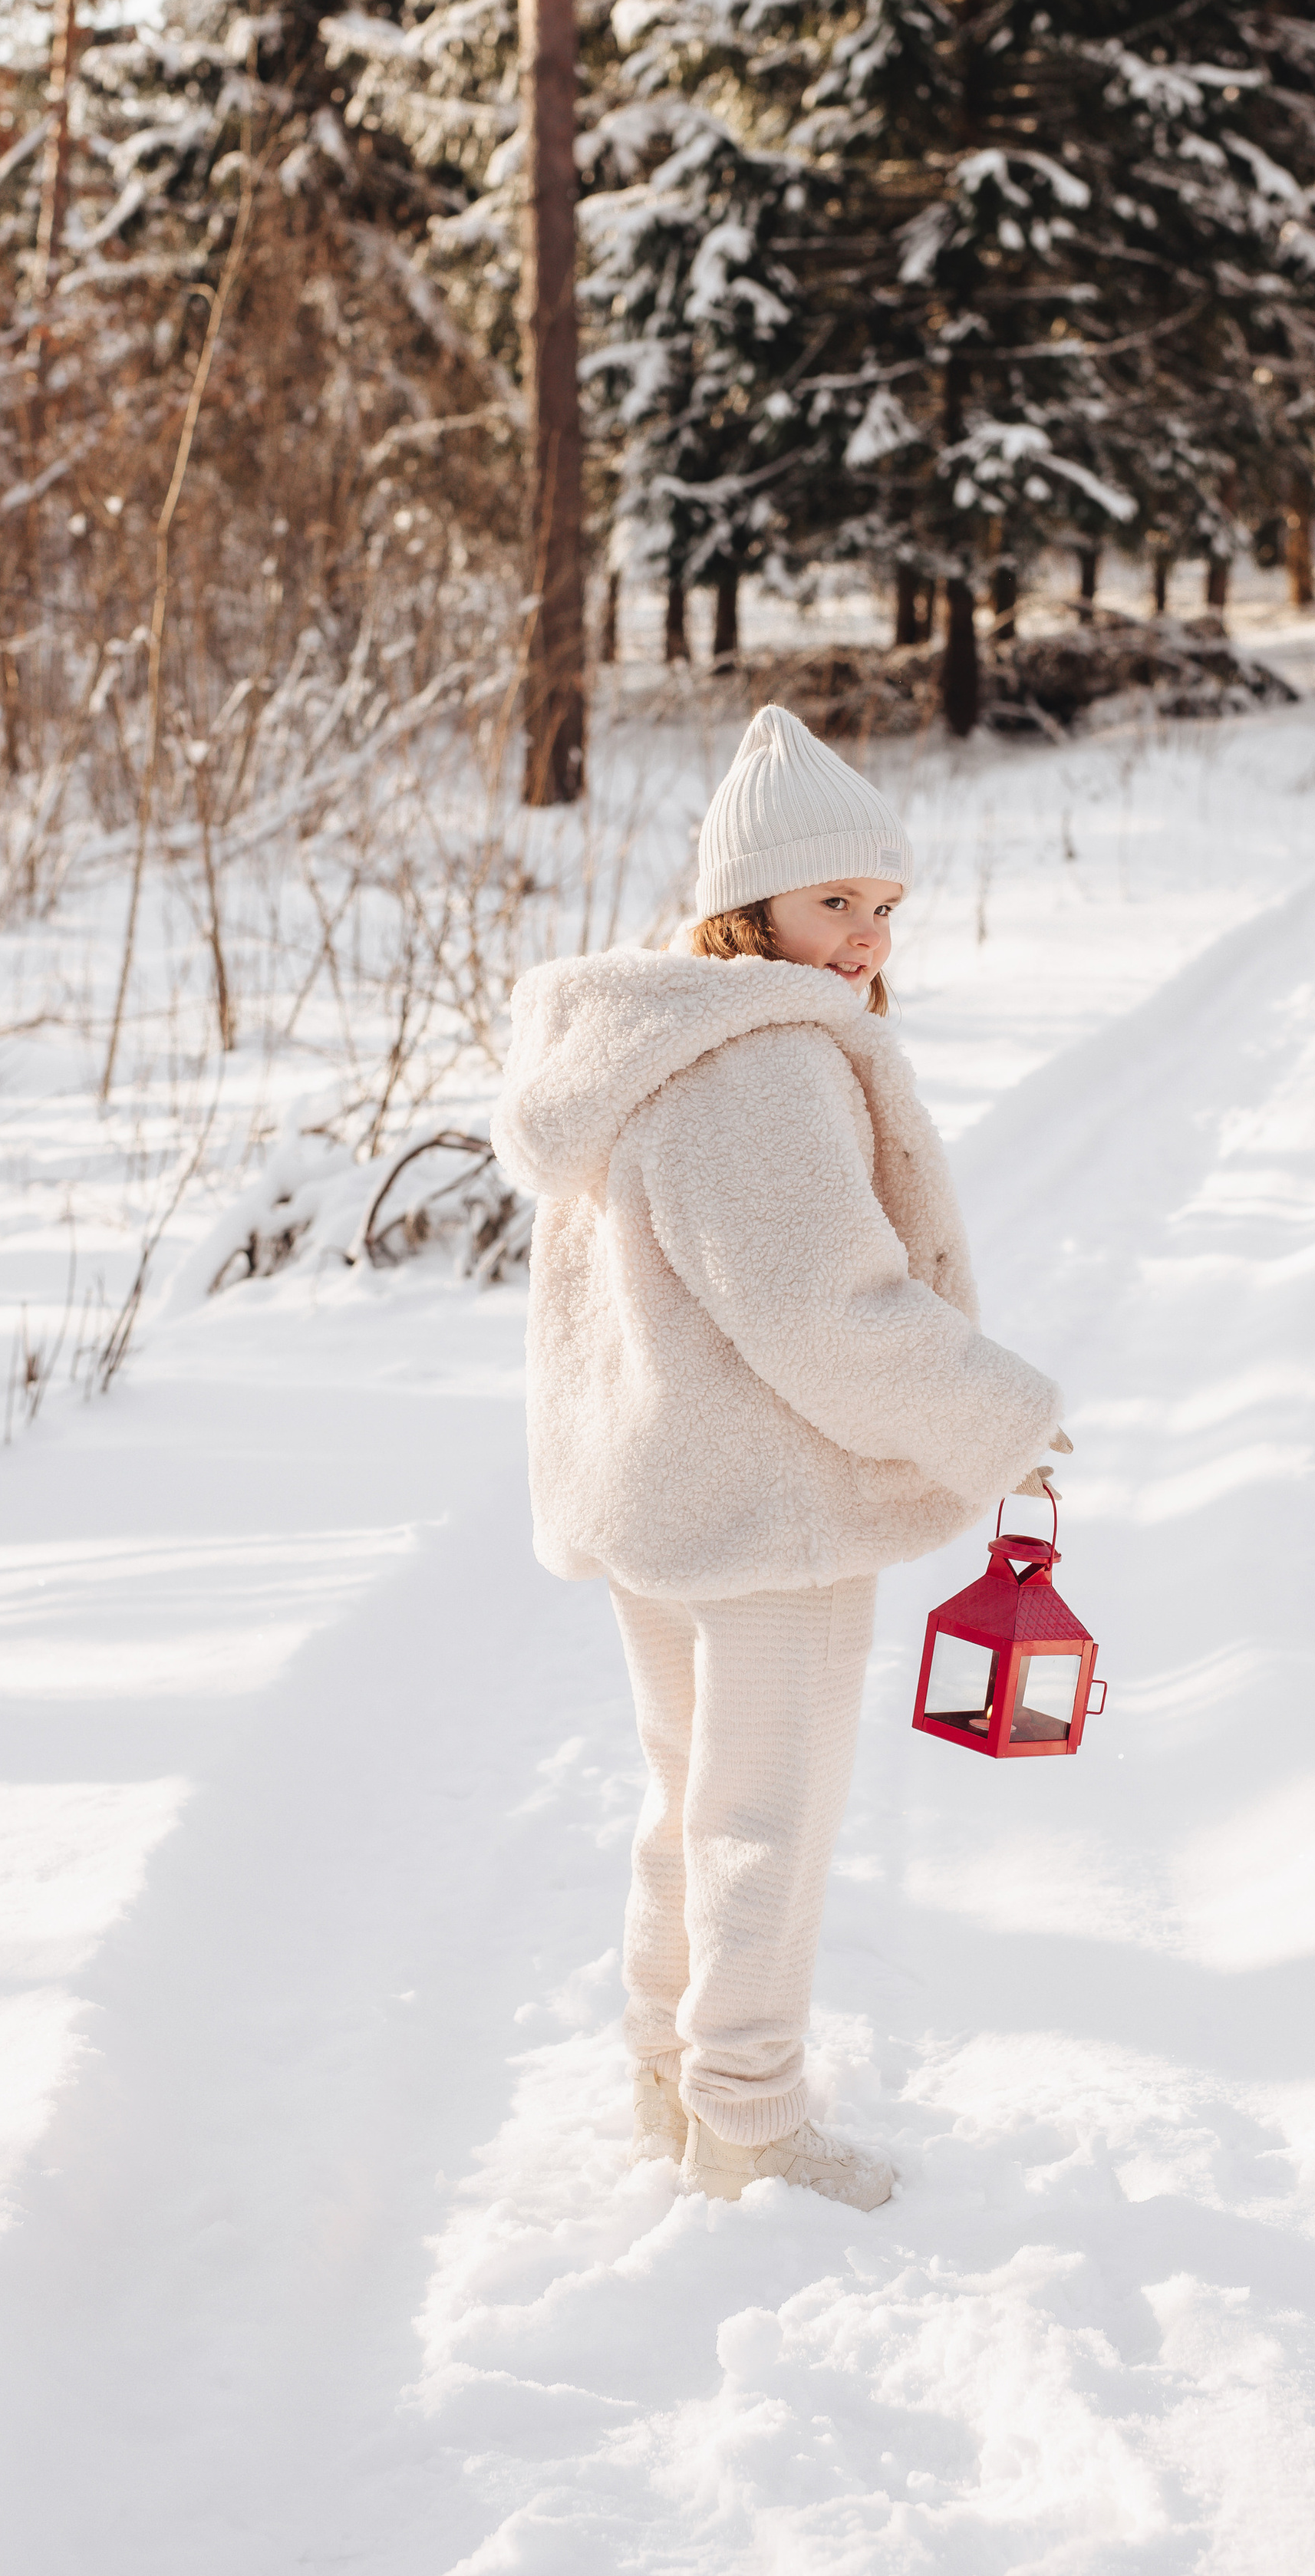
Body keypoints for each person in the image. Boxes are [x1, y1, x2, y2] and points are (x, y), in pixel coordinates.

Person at [491, 706, 1068, 2209]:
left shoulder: (643, 1041)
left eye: (882, 907)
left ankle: (668, 2082)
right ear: (743, 906)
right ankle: (746, 2121)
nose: (865, 936)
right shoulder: (757, 1061)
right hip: (767, 1501)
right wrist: (993, 1414)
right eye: (834, 903)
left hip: (661, 1490)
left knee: (687, 1797)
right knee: (763, 1816)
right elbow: (821, 1309)